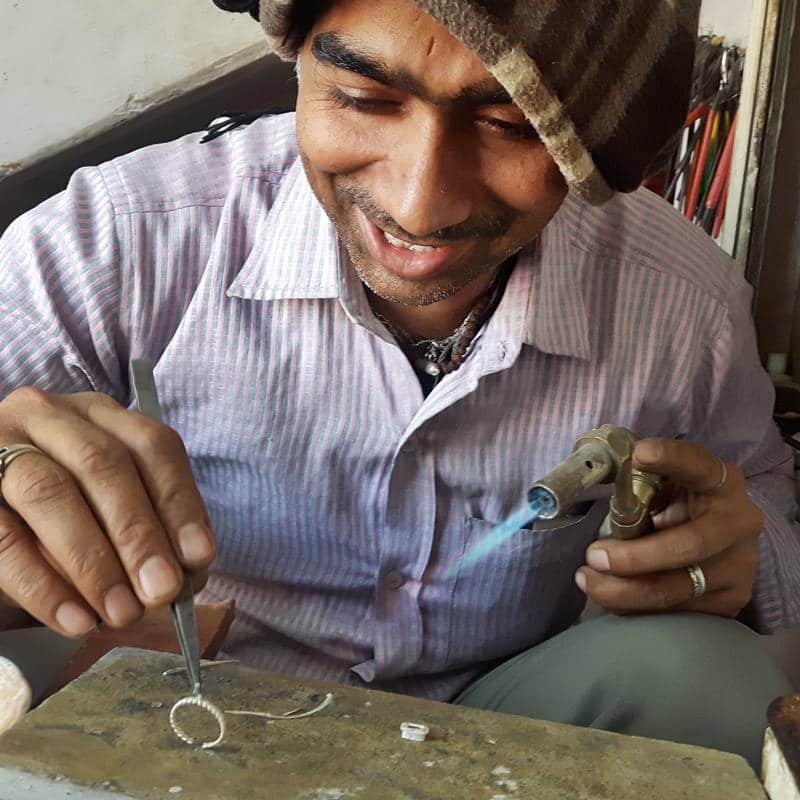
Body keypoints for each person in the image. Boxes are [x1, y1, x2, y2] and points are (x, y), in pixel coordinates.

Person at [0, 0, 796, 770]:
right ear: (298, 58)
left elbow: (763, 499)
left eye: (511, 124)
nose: (419, 204)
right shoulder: (119, 238)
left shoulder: (686, 305)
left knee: (714, 678)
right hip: (193, 703)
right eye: (361, 98)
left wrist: (738, 552)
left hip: (504, 729)